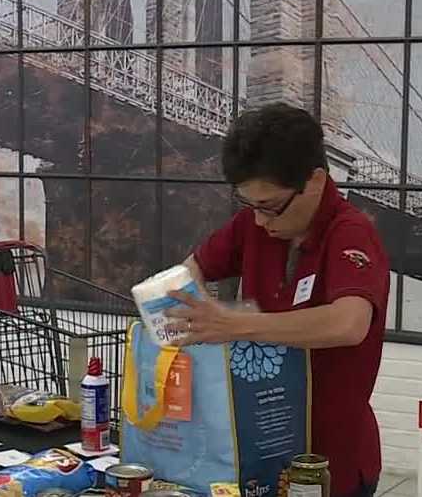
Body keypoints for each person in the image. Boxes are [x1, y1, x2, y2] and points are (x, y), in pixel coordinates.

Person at [166, 102, 389, 497]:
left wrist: (234, 324)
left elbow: (349, 323)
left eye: (269, 206)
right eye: (248, 205)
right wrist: (182, 319)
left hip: (329, 459)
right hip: (260, 450)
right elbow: (189, 272)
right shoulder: (253, 224)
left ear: (315, 181)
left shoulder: (351, 233)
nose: (259, 221)